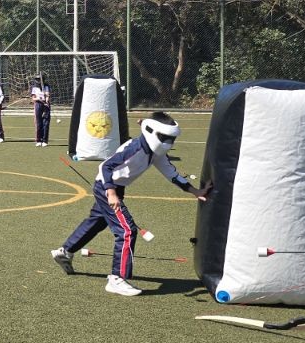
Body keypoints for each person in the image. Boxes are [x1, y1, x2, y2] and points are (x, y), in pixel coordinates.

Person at [50, 113, 211, 296]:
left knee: (97, 221)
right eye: (164, 137)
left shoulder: (155, 153)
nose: (168, 143)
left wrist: (195, 191)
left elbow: (172, 174)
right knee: (126, 230)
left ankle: (65, 251)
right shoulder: (135, 148)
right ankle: (117, 279)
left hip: (115, 188)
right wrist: (111, 193)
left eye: (171, 139)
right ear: (151, 132)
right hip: (107, 187)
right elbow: (105, 167)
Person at [30, 74, 52, 146]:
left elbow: (47, 95)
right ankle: (38, 140)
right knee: (38, 123)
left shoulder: (46, 86)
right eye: (37, 79)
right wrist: (38, 98)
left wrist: (46, 101)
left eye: (39, 79)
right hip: (38, 104)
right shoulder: (34, 87)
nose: (38, 81)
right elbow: (33, 98)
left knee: (46, 123)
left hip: (45, 105)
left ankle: (45, 140)